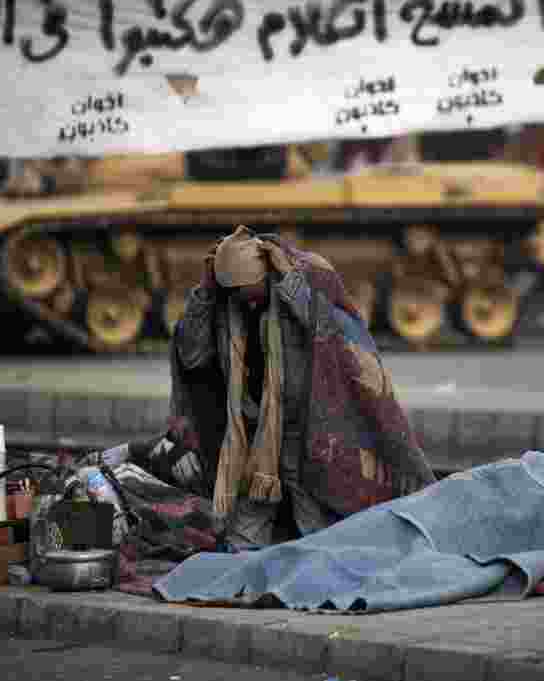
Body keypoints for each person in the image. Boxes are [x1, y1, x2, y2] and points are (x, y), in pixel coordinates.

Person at [161, 225, 437, 548]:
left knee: (320, 533)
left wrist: (291, 284)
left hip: (306, 434)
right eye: (236, 292)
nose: (245, 299)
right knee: (241, 541)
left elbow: (331, 334)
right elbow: (192, 354)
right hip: (252, 441)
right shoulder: (224, 306)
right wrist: (206, 292)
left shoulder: (305, 280)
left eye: (250, 289)